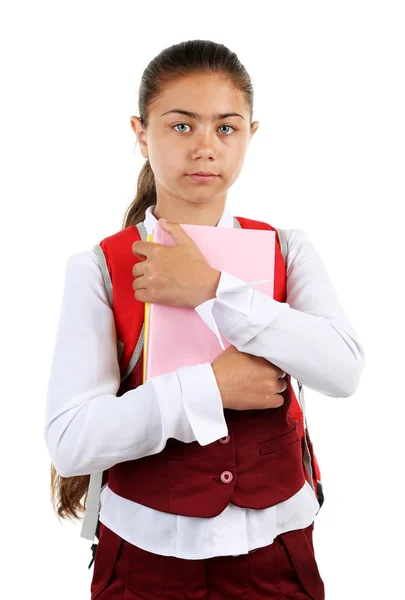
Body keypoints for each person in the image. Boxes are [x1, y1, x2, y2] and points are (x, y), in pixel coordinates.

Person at [44, 39, 365, 599]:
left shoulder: (288, 249)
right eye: (181, 126)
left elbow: (343, 371)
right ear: (141, 134)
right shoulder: (99, 267)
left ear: (250, 136)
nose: (205, 148)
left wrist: (214, 289)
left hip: (279, 553)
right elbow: (71, 441)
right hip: (145, 561)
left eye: (226, 127)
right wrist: (209, 389)